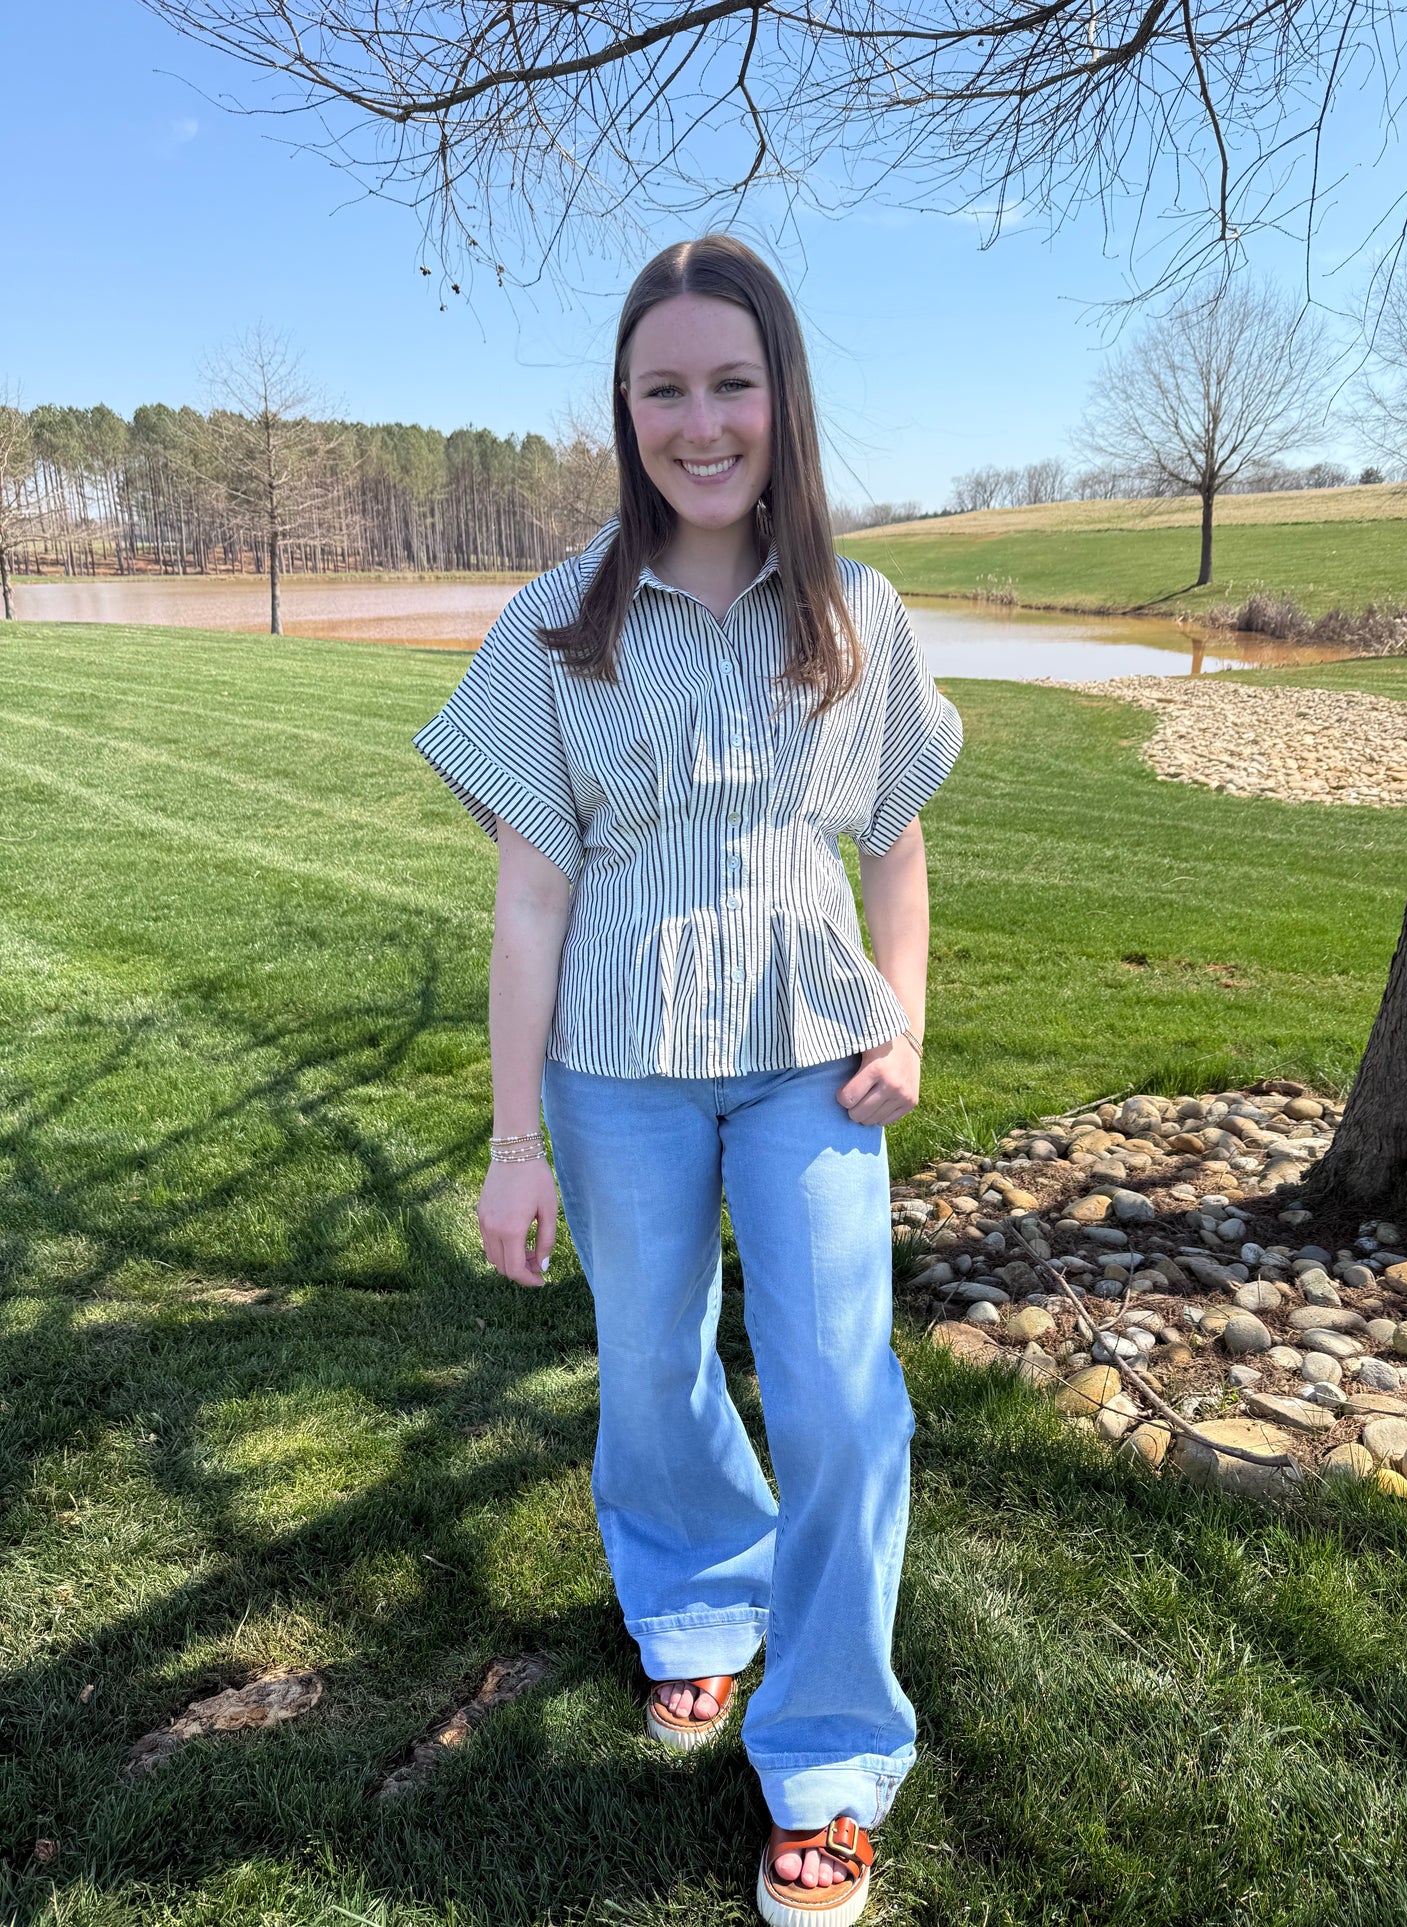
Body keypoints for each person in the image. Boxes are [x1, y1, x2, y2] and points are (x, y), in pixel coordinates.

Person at [413, 232, 961, 1927]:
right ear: (625, 408)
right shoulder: (552, 625)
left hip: (810, 1062)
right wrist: (514, 1142)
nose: (700, 422)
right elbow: (527, 900)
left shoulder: (859, 613)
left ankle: (831, 1755)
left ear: (781, 398)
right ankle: (698, 1606)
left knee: (838, 1393)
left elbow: (894, 844)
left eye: (732, 383)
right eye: (664, 389)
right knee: (651, 1366)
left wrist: (905, 1019)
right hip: (616, 1066)